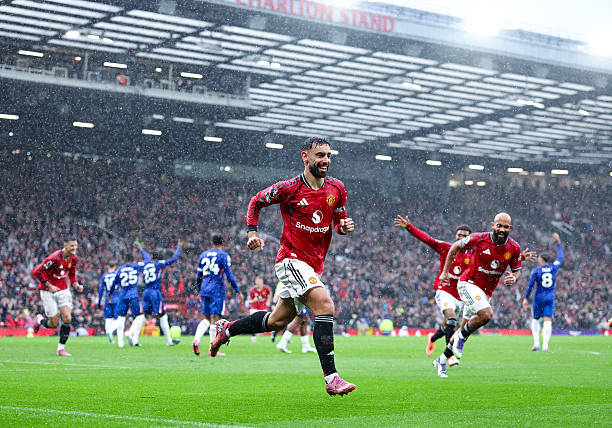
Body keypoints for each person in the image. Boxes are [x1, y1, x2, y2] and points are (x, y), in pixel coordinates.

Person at [208, 137, 357, 396]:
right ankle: (332, 378)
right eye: (320, 155)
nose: (325, 160)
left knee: (278, 321)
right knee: (325, 305)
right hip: (291, 259)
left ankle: (227, 329)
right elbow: (256, 201)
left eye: (328, 155)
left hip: (313, 265)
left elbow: (339, 221)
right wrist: (252, 233)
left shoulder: (337, 188)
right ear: (305, 157)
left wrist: (343, 227)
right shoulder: (289, 188)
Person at [434, 213, 522, 378]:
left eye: (505, 227)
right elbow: (455, 247)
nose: (502, 230)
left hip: (485, 292)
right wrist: (445, 272)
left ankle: (442, 360)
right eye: (499, 226)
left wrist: (514, 278)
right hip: (467, 284)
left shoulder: (514, 248)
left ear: (510, 228)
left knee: (464, 329)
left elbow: (517, 271)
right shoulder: (478, 238)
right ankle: (461, 337)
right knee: (486, 314)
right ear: (493, 225)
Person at [394, 215, 472, 368]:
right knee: (451, 320)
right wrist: (409, 227)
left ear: (469, 239)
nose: (461, 237)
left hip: (460, 296)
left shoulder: (474, 256)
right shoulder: (447, 248)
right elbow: (428, 239)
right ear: (455, 236)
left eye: (465, 236)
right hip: (444, 290)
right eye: (459, 235)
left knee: (447, 326)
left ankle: (432, 338)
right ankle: (450, 356)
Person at [32, 235, 83, 356]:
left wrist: (76, 285)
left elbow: (72, 275)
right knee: (54, 324)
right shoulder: (54, 258)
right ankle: (39, 320)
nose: (74, 248)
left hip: (63, 290)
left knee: (67, 318)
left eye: (75, 245)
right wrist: (49, 285)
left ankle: (61, 349)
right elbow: (37, 272)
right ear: (65, 245)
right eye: (72, 246)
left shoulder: (74, 259)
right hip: (47, 291)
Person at [192, 236, 243, 356]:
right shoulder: (223, 256)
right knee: (216, 320)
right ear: (222, 243)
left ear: (212, 243)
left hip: (205, 289)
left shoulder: (203, 255)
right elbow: (229, 275)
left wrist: (199, 290)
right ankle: (212, 349)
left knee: (207, 319)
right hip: (217, 290)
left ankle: (196, 340)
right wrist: (237, 290)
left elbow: (198, 276)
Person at [522, 233, 563, 352]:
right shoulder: (554, 267)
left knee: (535, 319)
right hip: (550, 297)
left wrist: (526, 298)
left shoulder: (537, 270)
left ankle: (536, 344)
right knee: (547, 320)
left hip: (539, 297)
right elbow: (560, 258)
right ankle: (545, 345)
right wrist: (558, 244)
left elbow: (530, 285)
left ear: (541, 260)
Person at [140, 241, 182, 346]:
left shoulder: (146, 263)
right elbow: (174, 259)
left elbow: (146, 256)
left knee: (145, 315)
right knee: (163, 315)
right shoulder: (158, 264)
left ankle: (132, 336)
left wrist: (140, 248)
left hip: (146, 291)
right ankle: (169, 341)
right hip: (154, 292)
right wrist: (179, 248)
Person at [110, 243, 151, 348]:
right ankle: (129, 333)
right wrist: (141, 249)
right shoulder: (136, 266)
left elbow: (114, 284)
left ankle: (120, 343)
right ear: (133, 260)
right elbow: (148, 259)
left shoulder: (120, 269)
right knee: (139, 317)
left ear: (124, 260)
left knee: (121, 318)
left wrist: (110, 294)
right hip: (133, 295)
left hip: (122, 296)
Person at [97, 263, 118, 344]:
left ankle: (110, 338)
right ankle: (110, 331)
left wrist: (99, 302)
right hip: (116, 298)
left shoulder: (104, 276)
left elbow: (101, 289)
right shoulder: (117, 274)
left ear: (108, 266)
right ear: (115, 266)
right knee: (119, 318)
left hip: (108, 299)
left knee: (108, 318)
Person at [247, 276, 272, 343]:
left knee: (265, 323)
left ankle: (271, 334)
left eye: (259, 281)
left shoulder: (266, 289)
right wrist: (253, 300)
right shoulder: (252, 290)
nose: (257, 283)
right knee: (252, 323)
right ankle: (253, 337)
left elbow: (270, 293)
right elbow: (249, 301)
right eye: (256, 281)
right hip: (254, 309)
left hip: (263, 308)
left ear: (262, 281)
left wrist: (268, 301)